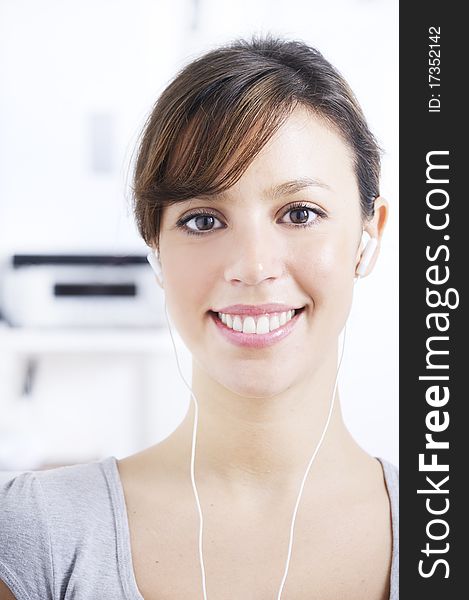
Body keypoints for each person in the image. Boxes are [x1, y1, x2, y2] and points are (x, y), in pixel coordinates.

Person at [0, 35, 398, 599]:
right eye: (204, 220)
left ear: (369, 232)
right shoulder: (34, 537)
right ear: (155, 249)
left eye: (300, 212)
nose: (254, 266)